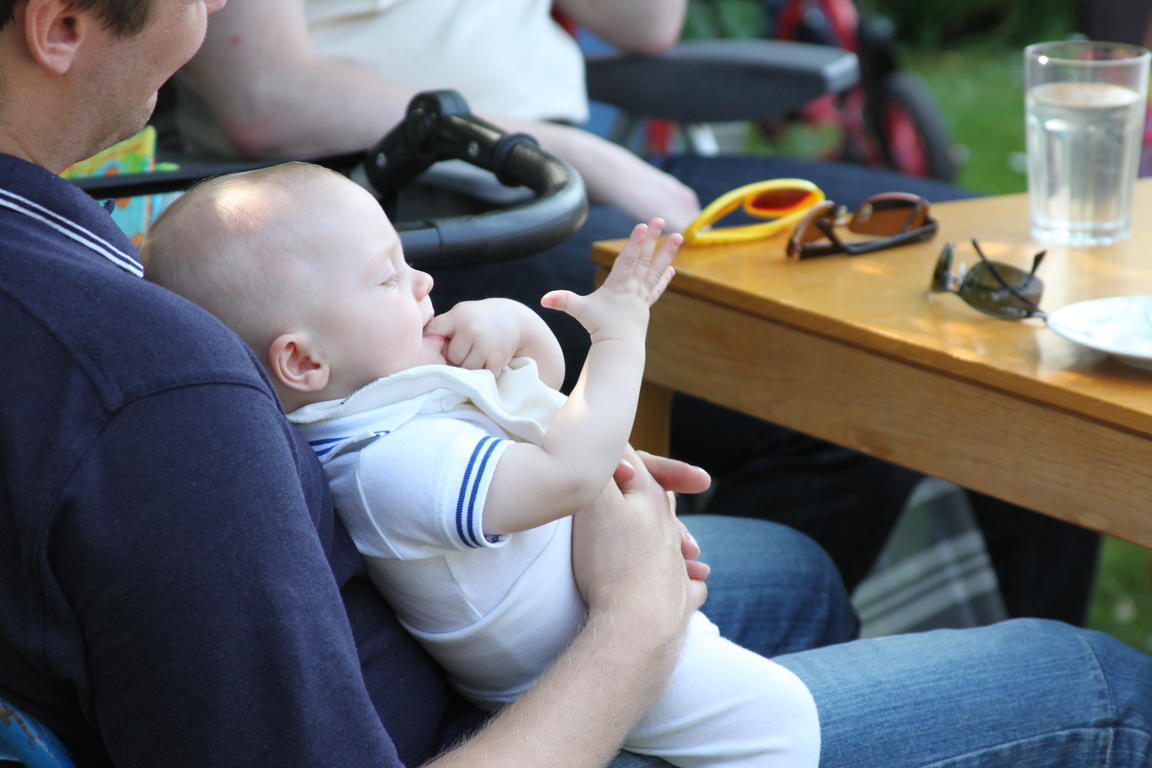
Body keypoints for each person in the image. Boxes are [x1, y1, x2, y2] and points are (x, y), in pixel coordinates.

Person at [2, 1, 1152, 766]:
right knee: (1095, 681)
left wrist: (488, 444)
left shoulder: (85, 276)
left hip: (423, 630)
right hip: (475, 719)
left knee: (791, 574)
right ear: (59, 26)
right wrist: (633, 628)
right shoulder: (146, 387)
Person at [171, 0, 1100, 624]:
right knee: (842, 385)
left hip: (574, 166)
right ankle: (638, 640)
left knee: (1009, 304)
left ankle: (1006, 651)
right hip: (392, 204)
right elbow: (264, 96)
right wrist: (560, 147)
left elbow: (646, 23)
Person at [142, 161, 823, 767]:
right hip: (560, 675)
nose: (423, 281)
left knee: (793, 594)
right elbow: (568, 473)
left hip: (592, 606)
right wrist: (619, 335)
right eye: (388, 276)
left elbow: (540, 392)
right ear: (304, 361)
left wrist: (513, 326)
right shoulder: (388, 466)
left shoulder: (384, 391)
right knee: (781, 721)